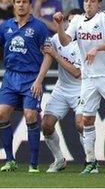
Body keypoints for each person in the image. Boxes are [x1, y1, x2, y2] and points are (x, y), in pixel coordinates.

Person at [0, 0, 52, 173]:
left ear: (30, 5)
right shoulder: (5, 26)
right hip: (10, 77)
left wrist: (39, 80)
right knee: (1, 114)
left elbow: (48, 55)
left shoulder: (39, 27)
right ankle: (10, 160)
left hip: (31, 78)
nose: (21, 5)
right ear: (14, 5)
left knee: (30, 115)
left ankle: (33, 164)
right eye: (18, 2)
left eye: (24, 2)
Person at [53, 0, 105, 174]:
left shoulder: (104, 16)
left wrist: (96, 49)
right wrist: (60, 25)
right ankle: (91, 161)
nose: (89, 4)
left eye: (92, 1)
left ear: (98, 3)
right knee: (86, 119)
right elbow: (65, 41)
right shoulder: (76, 20)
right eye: (86, 0)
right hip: (88, 78)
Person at [42, 9, 83, 173]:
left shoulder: (84, 45)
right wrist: (38, 80)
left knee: (81, 125)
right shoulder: (57, 39)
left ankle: (90, 161)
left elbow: (76, 72)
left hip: (80, 88)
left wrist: (56, 56)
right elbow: (47, 54)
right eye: (69, 21)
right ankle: (59, 159)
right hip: (61, 88)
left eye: (75, 21)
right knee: (46, 125)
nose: (71, 24)